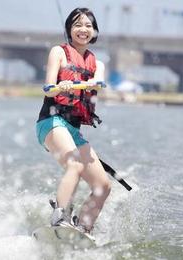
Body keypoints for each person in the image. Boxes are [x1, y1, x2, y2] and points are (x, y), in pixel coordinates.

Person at [35, 7, 111, 235]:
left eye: (88, 26)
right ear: (69, 29)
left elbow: (98, 83)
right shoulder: (58, 52)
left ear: (95, 32)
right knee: (75, 164)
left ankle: (83, 228)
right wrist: (61, 86)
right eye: (78, 24)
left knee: (102, 186)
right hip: (51, 121)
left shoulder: (98, 65)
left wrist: (91, 84)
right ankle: (60, 215)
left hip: (73, 129)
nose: (83, 30)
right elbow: (49, 89)